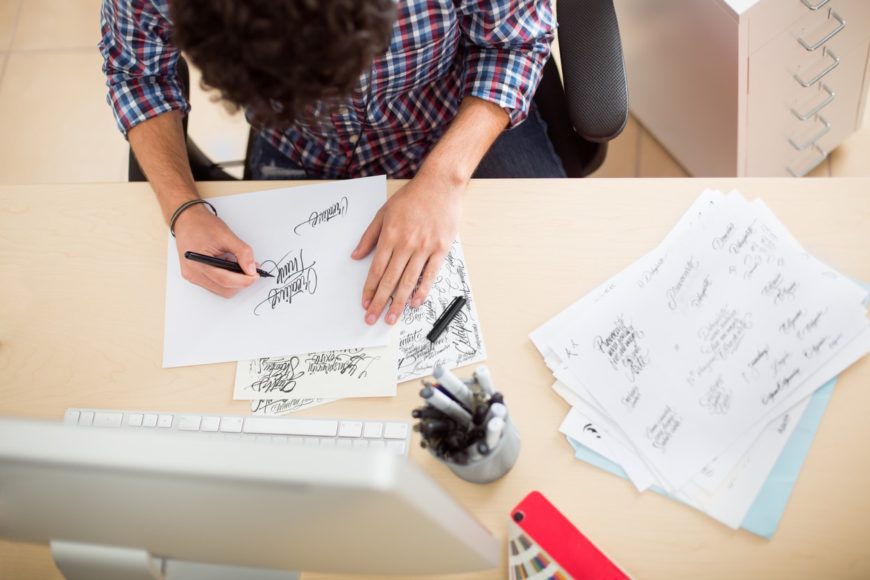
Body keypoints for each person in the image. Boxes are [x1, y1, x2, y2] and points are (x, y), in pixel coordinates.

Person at [99, 0, 562, 325]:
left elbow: (515, 45)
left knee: (538, 288)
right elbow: (138, 73)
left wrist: (445, 176)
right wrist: (183, 209)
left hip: (455, 119)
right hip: (296, 147)